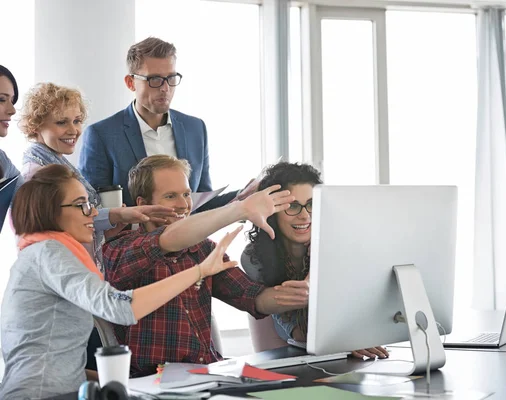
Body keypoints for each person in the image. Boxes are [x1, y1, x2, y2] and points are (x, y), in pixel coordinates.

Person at [0, 164, 243, 399]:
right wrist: (199, 271)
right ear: (50, 210)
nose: (94, 213)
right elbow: (121, 307)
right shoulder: (50, 252)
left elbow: (51, 355)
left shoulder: (43, 252)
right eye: (82, 205)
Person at [17, 82, 176, 371]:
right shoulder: (40, 176)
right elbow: (60, 225)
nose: (73, 130)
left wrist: (117, 218)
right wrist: (115, 216)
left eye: (77, 121)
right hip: (68, 285)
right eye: (61, 122)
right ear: (37, 125)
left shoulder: (59, 167)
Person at [103, 155, 309, 376]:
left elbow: (252, 297)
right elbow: (166, 239)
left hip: (206, 372)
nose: (183, 204)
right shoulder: (121, 249)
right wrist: (241, 208)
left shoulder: (203, 249)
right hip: (151, 380)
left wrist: (297, 296)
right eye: (171, 196)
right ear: (143, 204)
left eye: (186, 194)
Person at [79, 37, 250, 209]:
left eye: (171, 78)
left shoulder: (195, 129)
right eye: (154, 79)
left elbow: (201, 204)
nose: (165, 88)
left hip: (190, 235)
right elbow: (93, 210)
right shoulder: (101, 135)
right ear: (131, 83)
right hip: (130, 236)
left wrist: (244, 195)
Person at [242, 162, 389, 359]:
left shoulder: (342, 244)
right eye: (293, 206)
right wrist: (315, 267)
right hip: (282, 352)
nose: (304, 215)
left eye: (311, 204)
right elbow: (296, 329)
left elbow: (356, 309)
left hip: (337, 349)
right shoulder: (254, 256)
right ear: (273, 212)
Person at [0, 65, 23, 188]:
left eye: (12, 100)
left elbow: (26, 198)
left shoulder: (2, 159)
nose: (12, 110)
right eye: (1, 99)